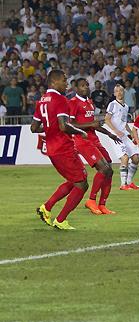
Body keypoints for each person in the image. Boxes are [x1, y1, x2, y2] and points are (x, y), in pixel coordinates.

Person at [31, 70, 90, 230]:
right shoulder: (60, 99)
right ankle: (61, 220)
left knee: (76, 179)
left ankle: (46, 207)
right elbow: (64, 126)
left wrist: (50, 128)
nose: (66, 84)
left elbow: (34, 128)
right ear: (54, 82)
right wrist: (80, 132)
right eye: (64, 81)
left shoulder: (41, 100)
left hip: (52, 148)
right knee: (82, 184)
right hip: (63, 148)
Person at [69, 78, 120, 215]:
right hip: (82, 140)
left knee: (109, 170)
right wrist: (91, 124)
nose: (85, 87)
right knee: (104, 168)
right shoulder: (73, 102)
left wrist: (109, 134)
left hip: (94, 140)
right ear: (76, 88)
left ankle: (102, 205)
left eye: (87, 85)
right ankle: (91, 200)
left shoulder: (89, 102)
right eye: (82, 86)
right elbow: (70, 124)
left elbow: (94, 124)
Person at [104, 84, 139, 190]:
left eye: (121, 90)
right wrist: (115, 131)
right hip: (115, 136)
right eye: (117, 91)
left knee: (136, 158)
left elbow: (124, 122)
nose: (119, 93)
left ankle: (129, 182)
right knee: (125, 158)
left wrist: (131, 132)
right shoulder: (112, 104)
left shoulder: (126, 107)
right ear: (114, 93)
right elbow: (107, 119)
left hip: (123, 135)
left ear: (123, 92)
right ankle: (123, 184)